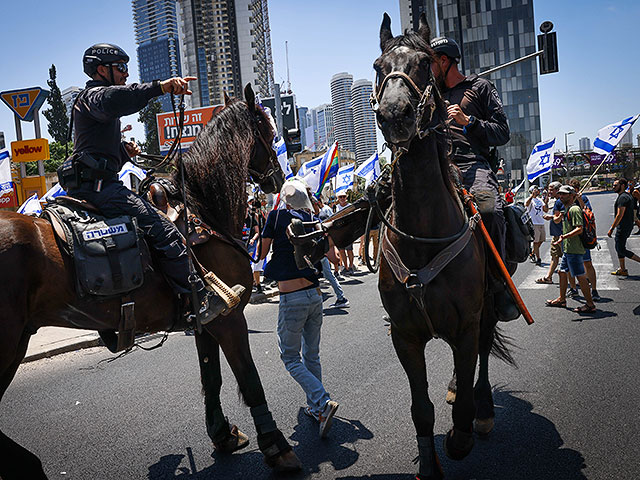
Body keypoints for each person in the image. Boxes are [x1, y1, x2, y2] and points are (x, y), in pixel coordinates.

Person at [61, 43, 241, 324]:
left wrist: (122, 153)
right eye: (120, 68)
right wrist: (162, 87)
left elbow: (98, 159)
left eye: (126, 68)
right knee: (165, 231)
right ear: (101, 70)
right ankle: (199, 299)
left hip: (94, 186)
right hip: (104, 192)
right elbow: (118, 98)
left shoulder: (93, 105)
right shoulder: (93, 97)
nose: (125, 74)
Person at [430, 36, 516, 321]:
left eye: (430, 62)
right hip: (437, 170)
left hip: (473, 165)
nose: (428, 68)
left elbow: (502, 133)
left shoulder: (480, 88)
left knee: (489, 211)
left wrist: (469, 123)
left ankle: (498, 284)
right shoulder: (429, 95)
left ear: (444, 61)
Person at [258, 179, 339, 437]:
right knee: (311, 355)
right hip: (315, 296)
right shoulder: (311, 219)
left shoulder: (276, 216)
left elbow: (261, 253)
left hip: (291, 298)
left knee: (291, 358)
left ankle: (322, 400)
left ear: (284, 198)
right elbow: (332, 255)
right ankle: (317, 408)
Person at [545, 185, 596, 313]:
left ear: (572, 195)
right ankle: (562, 300)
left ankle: (590, 304)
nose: (561, 196)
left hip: (574, 249)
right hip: (568, 248)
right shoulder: (567, 209)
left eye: (564, 194)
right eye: (560, 194)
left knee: (580, 276)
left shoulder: (574, 209)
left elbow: (579, 228)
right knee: (562, 272)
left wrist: (564, 236)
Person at [316, 196, 349, 308]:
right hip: (318, 251)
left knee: (327, 275)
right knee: (324, 275)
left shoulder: (321, 216)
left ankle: (340, 297)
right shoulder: (312, 217)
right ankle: (339, 297)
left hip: (322, 251)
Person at [569, 178, 599, 301]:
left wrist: (580, 200)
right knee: (570, 265)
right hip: (570, 235)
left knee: (587, 263)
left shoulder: (583, 198)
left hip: (583, 235)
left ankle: (594, 290)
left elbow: (588, 212)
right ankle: (573, 289)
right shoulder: (566, 200)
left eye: (573, 191)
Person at [608, 178, 640, 275]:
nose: (613, 187)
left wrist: (612, 228)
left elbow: (619, 214)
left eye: (615, 185)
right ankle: (623, 269)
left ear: (622, 186)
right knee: (619, 246)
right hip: (627, 225)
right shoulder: (626, 196)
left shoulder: (622, 198)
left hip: (623, 226)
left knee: (620, 249)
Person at [335, 192, 356, 275]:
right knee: (342, 250)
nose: (342, 198)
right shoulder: (336, 208)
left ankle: (351, 266)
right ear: (338, 198)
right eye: (340, 197)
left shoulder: (350, 207)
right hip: (340, 232)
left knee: (349, 250)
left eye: (344, 196)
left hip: (349, 231)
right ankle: (345, 267)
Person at [525, 185, 545, 265]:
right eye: (535, 190)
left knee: (541, 240)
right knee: (536, 242)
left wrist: (546, 200)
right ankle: (538, 258)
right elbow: (526, 204)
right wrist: (531, 196)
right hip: (534, 223)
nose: (537, 191)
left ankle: (532, 252)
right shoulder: (529, 200)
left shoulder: (540, 200)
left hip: (541, 222)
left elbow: (545, 209)